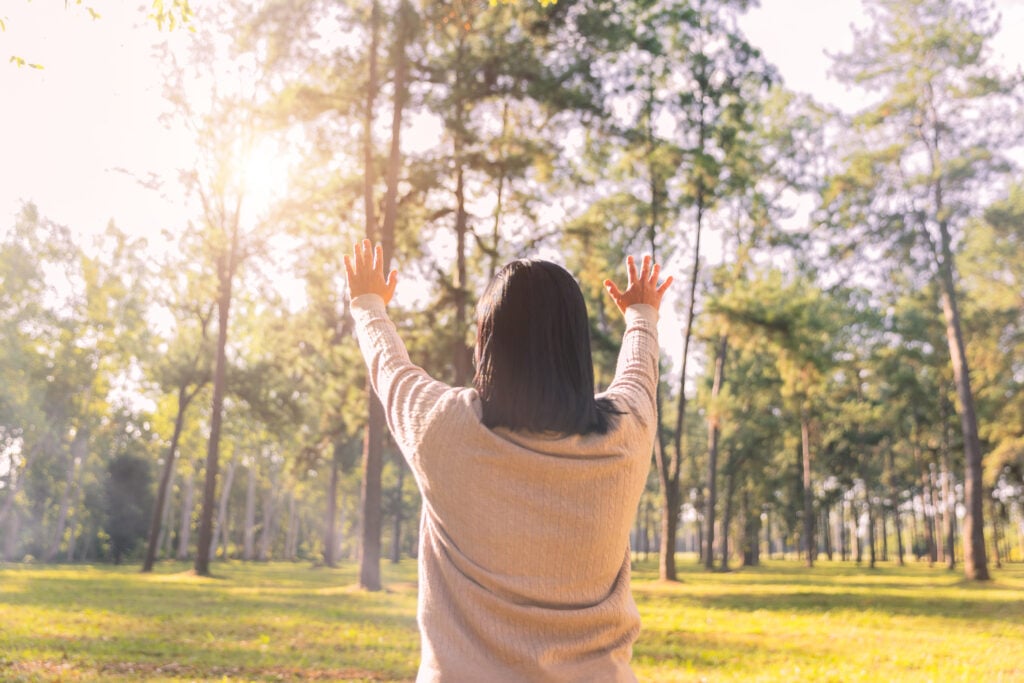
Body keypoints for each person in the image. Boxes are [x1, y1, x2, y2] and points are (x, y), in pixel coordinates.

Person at [345, 239, 672, 682]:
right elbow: (638, 372)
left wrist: (368, 304)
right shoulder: (625, 434)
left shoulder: (445, 429)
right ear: (577, 348)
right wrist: (641, 313)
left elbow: (391, 368)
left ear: (485, 343)